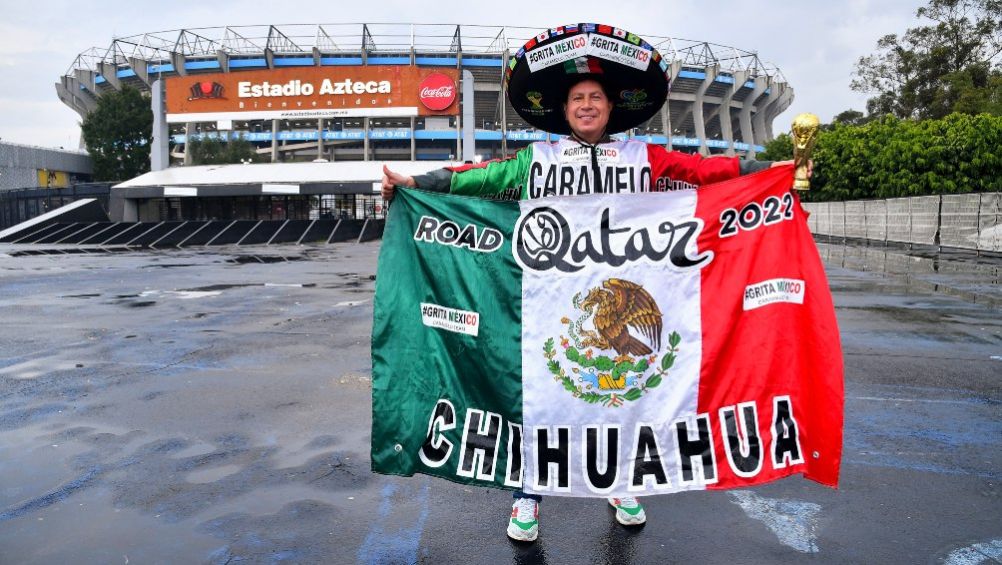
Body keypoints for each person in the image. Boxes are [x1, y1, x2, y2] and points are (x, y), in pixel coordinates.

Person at [382, 23, 797, 543]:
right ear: (564, 110)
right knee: (540, 398)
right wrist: (421, 182)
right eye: (577, 98)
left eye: (594, 97)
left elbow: (703, 171)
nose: (585, 105)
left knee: (621, 396)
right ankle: (527, 495)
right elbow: (480, 177)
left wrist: (767, 167)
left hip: (630, 299)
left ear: (610, 107)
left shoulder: (644, 157)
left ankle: (620, 482)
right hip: (548, 302)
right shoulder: (538, 160)